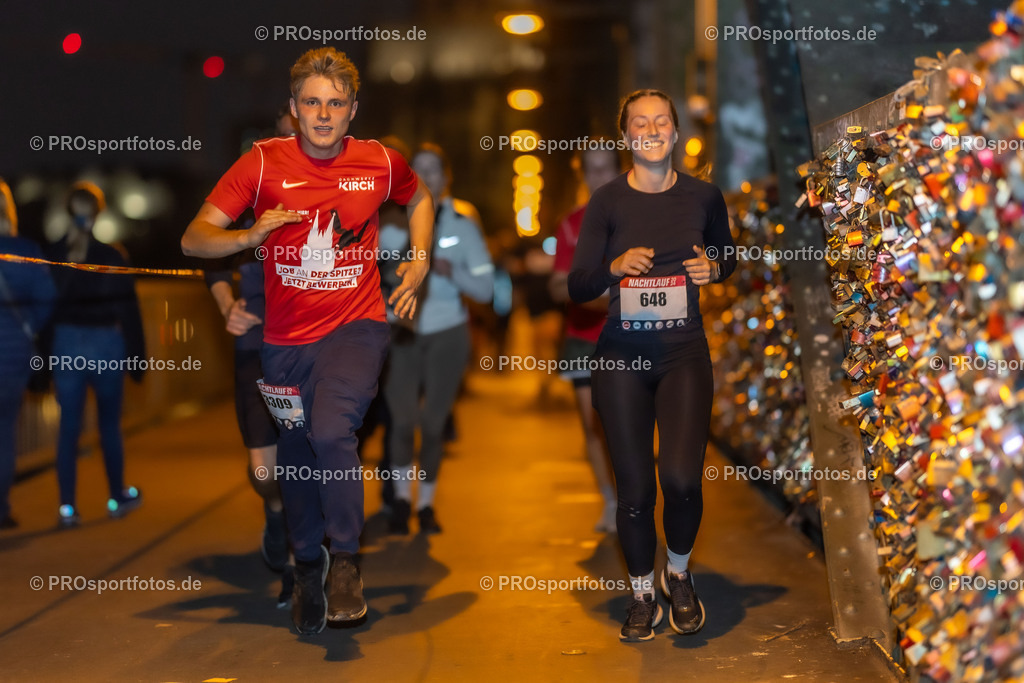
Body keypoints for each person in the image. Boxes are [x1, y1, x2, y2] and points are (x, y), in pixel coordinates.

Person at [181, 47, 433, 636]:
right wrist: (250, 233)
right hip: (284, 342)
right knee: (295, 457)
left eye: (335, 104)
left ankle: (345, 562)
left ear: (352, 112)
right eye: (312, 103)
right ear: (294, 109)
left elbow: (418, 198)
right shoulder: (263, 164)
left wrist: (418, 261)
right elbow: (195, 240)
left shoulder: (379, 162)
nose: (323, 114)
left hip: (356, 326)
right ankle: (305, 564)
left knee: (330, 431)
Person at [568, 90, 737, 642]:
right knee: (636, 488)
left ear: (674, 130)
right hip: (621, 357)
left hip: (683, 353)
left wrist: (715, 268)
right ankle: (642, 593)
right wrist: (614, 266)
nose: (651, 129)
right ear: (627, 136)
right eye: (640, 122)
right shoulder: (608, 202)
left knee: (683, 479)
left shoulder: (704, 196)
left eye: (660, 120)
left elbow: (727, 256)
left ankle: (678, 574)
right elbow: (577, 285)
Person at [203, 107, 298, 604]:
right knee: (266, 474)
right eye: (280, 139)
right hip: (254, 349)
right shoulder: (249, 200)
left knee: (307, 459)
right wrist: (228, 306)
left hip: (308, 349)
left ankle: (297, 567)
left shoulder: (328, 200)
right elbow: (209, 260)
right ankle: (277, 511)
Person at [382, 143, 493, 535]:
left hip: (448, 333)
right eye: (418, 169)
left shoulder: (463, 224)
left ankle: (426, 504)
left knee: (432, 424)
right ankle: (399, 500)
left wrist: (450, 270)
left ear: (446, 179)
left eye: (434, 170)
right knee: (401, 420)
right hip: (401, 332)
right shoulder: (388, 225)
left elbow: (485, 289)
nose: (427, 176)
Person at [45, 182, 146, 529]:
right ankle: (117, 496)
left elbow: (44, 310)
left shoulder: (52, 254)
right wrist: (138, 359)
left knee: (68, 429)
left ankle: (67, 508)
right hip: (106, 345)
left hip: (67, 344)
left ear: (68, 210)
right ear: (99, 211)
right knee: (108, 426)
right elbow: (129, 311)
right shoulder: (112, 256)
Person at [549, 144, 622, 533]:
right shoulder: (570, 225)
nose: (598, 177)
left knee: (631, 422)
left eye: (605, 168)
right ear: (583, 175)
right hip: (583, 338)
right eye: (591, 170)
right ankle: (610, 501)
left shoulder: (640, 218)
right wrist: (599, 295)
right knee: (593, 425)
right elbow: (558, 284)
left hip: (630, 338)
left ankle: (633, 498)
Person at [0, 179, 55, 529]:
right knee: (5, 434)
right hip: (13, 356)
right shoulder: (26, 251)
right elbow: (47, 299)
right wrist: (28, 328)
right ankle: (1, 510)